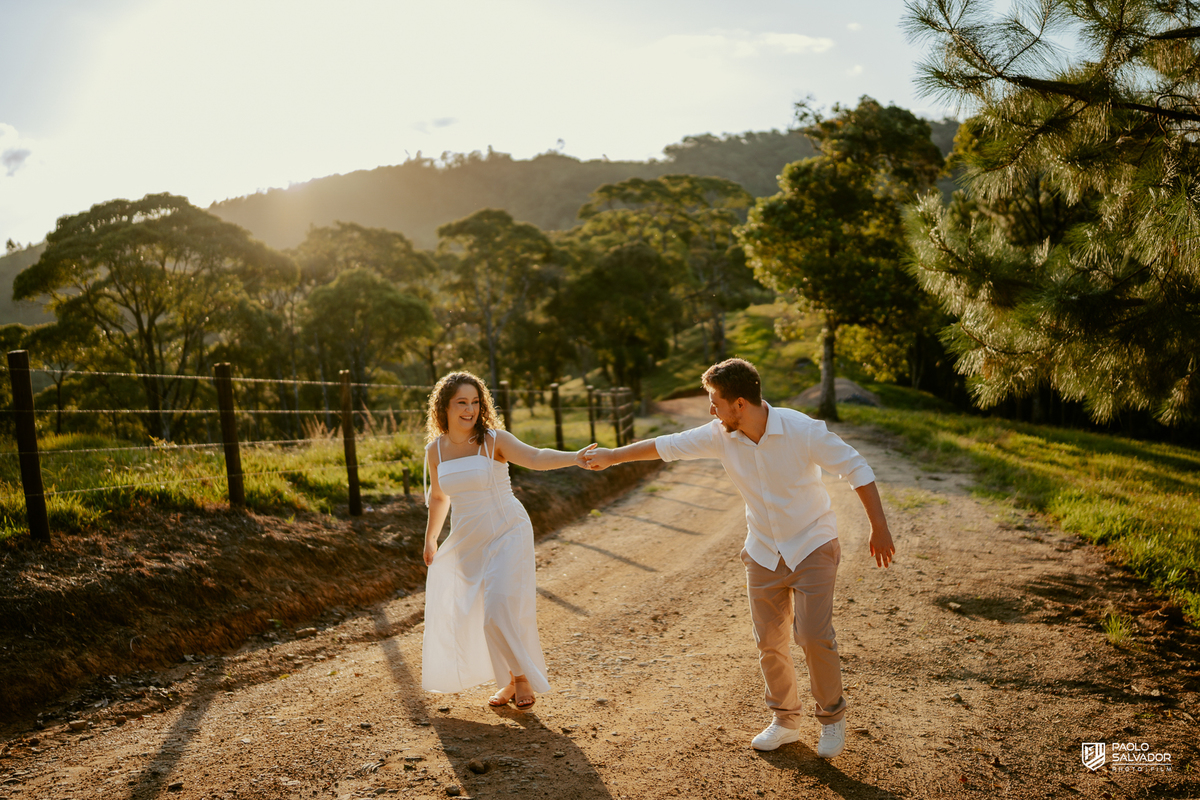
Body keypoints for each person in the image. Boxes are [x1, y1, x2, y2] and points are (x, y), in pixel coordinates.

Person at [583, 358, 895, 756]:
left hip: (811, 542)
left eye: (715, 401)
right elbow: (667, 446)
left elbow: (856, 467)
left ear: (740, 403)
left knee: (813, 636)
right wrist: (613, 455)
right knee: (769, 641)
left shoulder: (801, 430)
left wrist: (879, 527)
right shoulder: (720, 435)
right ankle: (784, 721)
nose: (711, 410)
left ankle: (832, 719)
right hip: (764, 549)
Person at [421, 371, 595, 710]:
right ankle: (507, 682)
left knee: (498, 608)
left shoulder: (493, 440)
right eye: (461, 403)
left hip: (507, 531)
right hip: (468, 539)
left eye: (475, 402)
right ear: (444, 407)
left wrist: (573, 457)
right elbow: (440, 498)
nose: (469, 410)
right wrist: (431, 540)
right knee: (476, 612)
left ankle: (520, 678)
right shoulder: (435, 451)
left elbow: (536, 457)